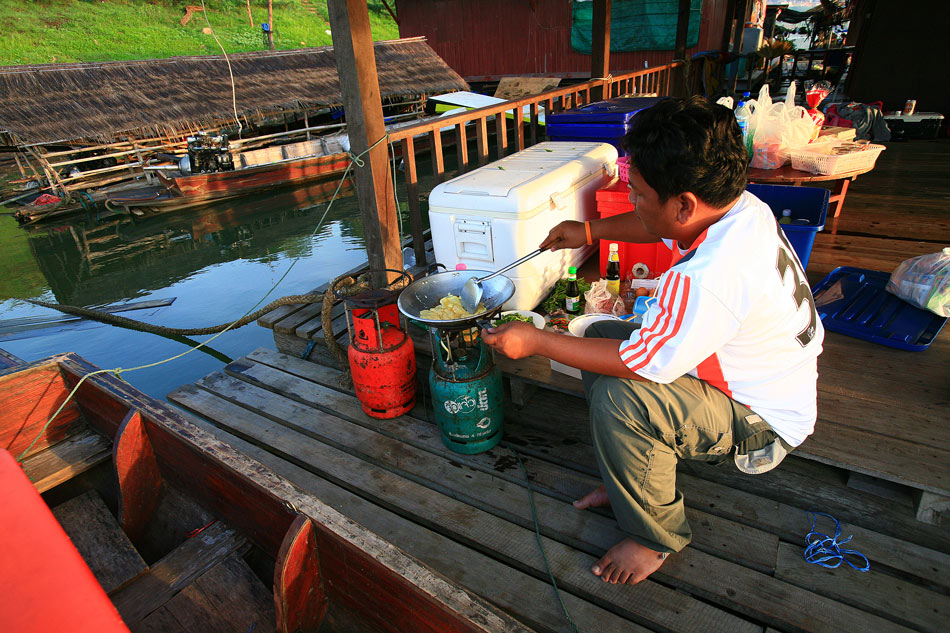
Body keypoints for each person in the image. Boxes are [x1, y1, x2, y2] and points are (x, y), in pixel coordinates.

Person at [481, 96, 824, 586]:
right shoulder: (735, 209)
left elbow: (639, 363)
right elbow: (655, 226)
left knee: (626, 398)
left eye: (638, 193)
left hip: (761, 420)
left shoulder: (710, 276)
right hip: (746, 374)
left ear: (683, 203)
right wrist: (588, 230)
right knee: (599, 333)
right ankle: (630, 484)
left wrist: (536, 340)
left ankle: (654, 537)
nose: (634, 202)